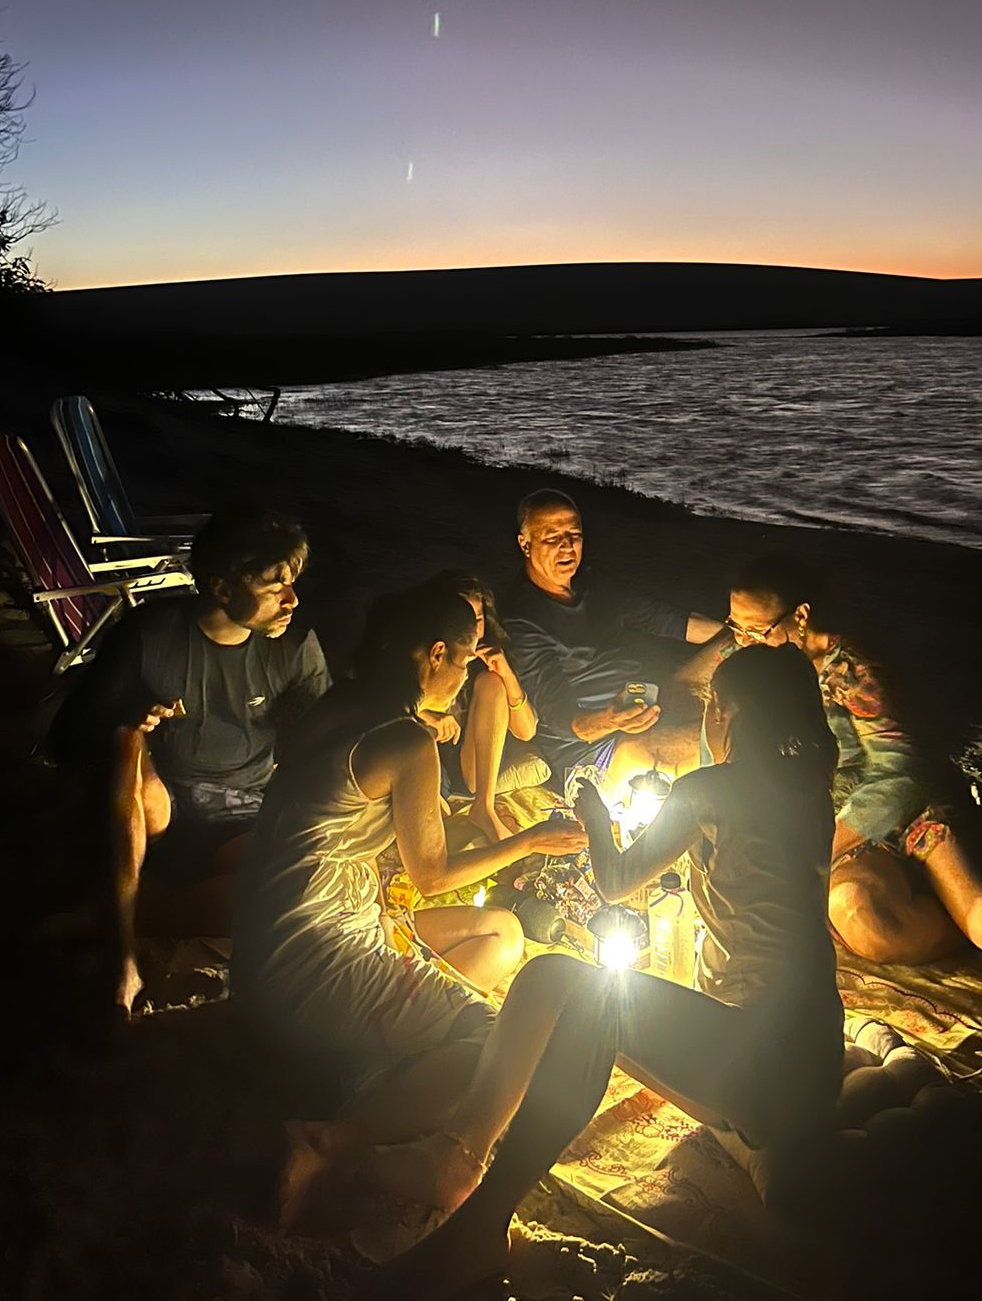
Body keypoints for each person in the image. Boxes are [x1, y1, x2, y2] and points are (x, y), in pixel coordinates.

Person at [368, 643, 844, 1299]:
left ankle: (468, 1175)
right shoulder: (814, 793)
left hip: (759, 1064)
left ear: (731, 717)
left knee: (557, 983)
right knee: (602, 1012)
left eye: (710, 707)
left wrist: (594, 816)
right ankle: (761, 1146)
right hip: (815, 1061)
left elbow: (617, 881)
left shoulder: (710, 790)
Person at [231, 581, 588, 1128]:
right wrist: (532, 838)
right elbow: (433, 876)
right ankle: (335, 1144)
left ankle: (376, 1045)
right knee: (492, 1043)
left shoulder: (339, 703)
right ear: (438, 653)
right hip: (313, 956)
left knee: (500, 932)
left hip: (260, 946)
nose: (468, 676)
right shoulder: (406, 742)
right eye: (467, 661)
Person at [727, 553, 982, 967]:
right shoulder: (759, 662)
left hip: (911, 808)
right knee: (861, 916)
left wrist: (825, 843)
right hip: (843, 822)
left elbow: (902, 773)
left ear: (800, 615)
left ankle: (974, 920)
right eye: (736, 628)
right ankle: (936, 920)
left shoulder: (852, 672)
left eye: (757, 630)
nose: (744, 642)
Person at [49, 507, 330, 938]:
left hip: (243, 807)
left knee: (272, 896)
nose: (292, 600)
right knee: (127, 744)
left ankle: (146, 909)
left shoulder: (292, 646)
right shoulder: (152, 633)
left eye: (292, 584)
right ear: (220, 586)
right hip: (156, 805)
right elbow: (66, 739)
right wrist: (126, 714)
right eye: (275, 587)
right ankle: (138, 907)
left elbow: (319, 743)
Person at [500, 489, 731, 800]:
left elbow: (667, 619)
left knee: (735, 643)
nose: (567, 545)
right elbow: (559, 716)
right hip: (593, 753)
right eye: (552, 536)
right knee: (729, 739)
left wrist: (745, 631)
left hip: (645, 706)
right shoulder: (521, 619)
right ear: (524, 544)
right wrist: (611, 720)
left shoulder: (594, 584)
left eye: (574, 534)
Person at [419, 571, 541, 843]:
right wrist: (430, 716)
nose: (472, 631)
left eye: (478, 620)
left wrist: (506, 673)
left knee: (492, 682)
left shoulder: (490, 661)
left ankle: (483, 809)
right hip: (433, 761)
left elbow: (527, 731)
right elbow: (390, 704)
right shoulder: (429, 654)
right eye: (463, 622)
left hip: (473, 771)